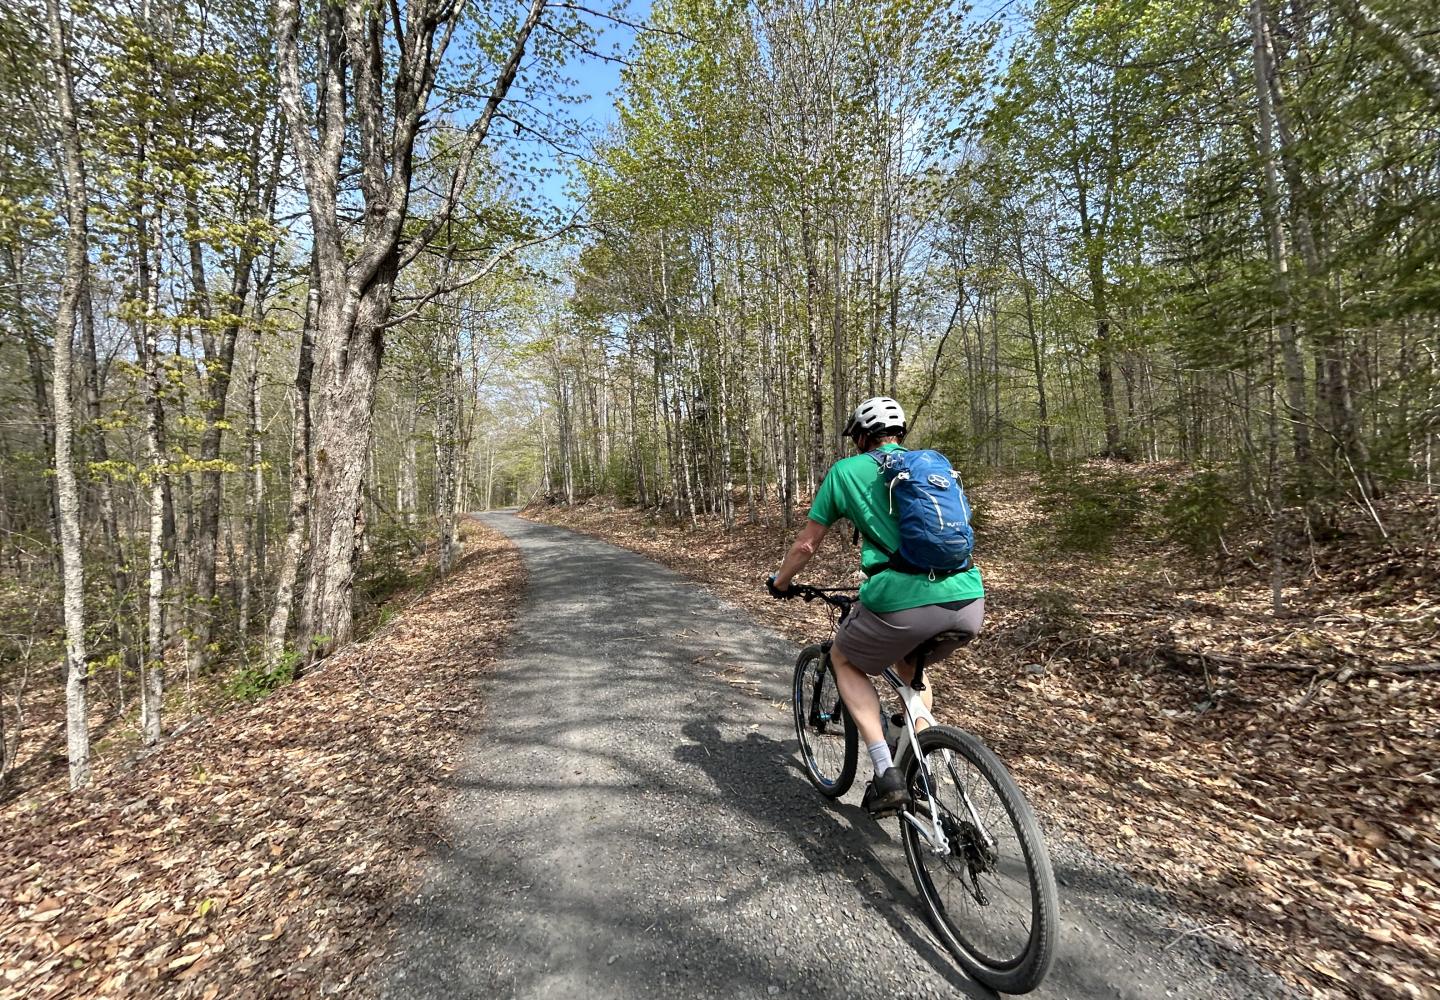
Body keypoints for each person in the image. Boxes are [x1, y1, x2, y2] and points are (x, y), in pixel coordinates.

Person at [767, 396, 984, 815]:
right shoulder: (932, 465)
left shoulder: (845, 471)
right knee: (911, 670)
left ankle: (887, 774)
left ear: (862, 437)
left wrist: (781, 582)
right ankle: (917, 761)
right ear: (900, 434)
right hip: (968, 598)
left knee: (844, 659)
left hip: (900, 599)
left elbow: (807, 543)